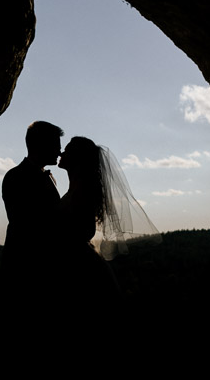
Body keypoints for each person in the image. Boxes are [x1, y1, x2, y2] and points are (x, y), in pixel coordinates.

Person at [55, 136, 161, 322]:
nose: (62, 153)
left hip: (80, 264)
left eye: (68, 150)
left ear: (78, 159)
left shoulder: (83, 191)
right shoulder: (77, 188)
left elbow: (86, 230)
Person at [0, 121, 65, 316]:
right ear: (40, 145)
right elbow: (25, 224)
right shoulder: (16, 177)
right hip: (25, 268)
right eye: (56, 145)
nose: (60, 151)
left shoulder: (44, 176)